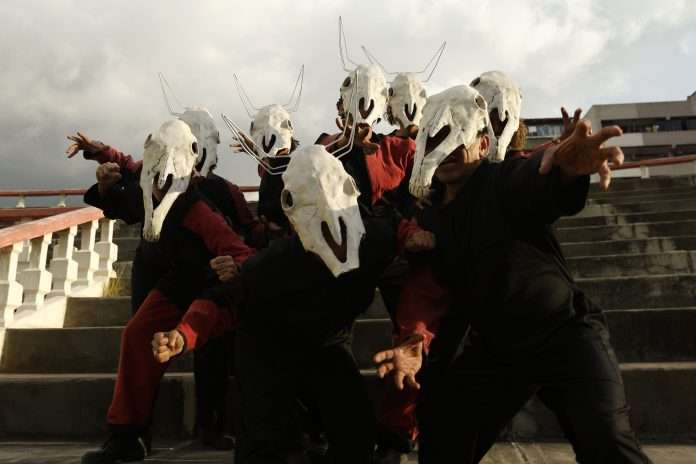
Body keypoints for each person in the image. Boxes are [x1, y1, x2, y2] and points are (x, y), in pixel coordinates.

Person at [375, 84, 652, 463]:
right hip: (498, 350)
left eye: (457, 137)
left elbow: (533, 179)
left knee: (607, 442)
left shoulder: (500, 178)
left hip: (564, 333)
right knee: (443, 431)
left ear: (483, 145)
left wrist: (565, 172)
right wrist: (414, 341)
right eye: (435, 138)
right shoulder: (430, 218)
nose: (447, 149)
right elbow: (426, 291)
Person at [77, 120, 255, 464]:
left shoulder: (200, 210)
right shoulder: (144, 186)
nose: (161, 183)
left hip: (208, 286)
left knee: (215, 352)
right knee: (136, 334)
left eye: (169, 176)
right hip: (173, 282)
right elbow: (128, 176)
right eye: (156, 174)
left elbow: (239, 250)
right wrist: (104, 174)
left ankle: (216, 425)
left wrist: (236, 267)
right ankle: (127, 435)